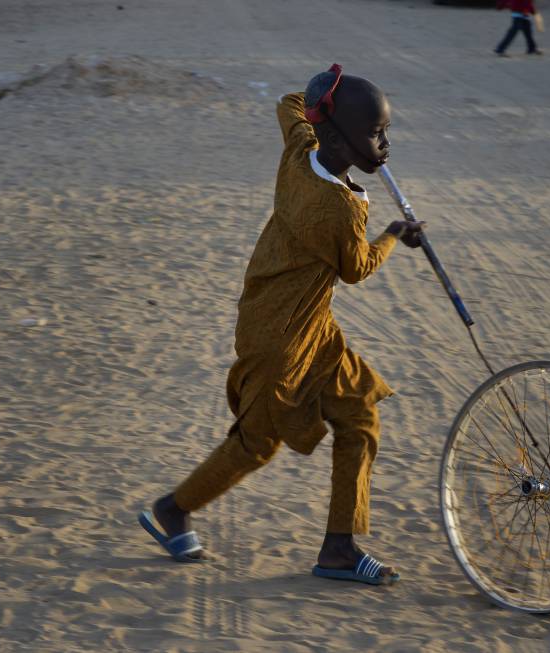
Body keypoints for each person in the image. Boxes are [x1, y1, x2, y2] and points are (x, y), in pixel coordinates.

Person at [138, 65, 424, 585]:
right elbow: (356, 268)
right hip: (279, 338)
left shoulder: (300, 147)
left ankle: (339, 547)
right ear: (334, 138)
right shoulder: (337, 208)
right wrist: (392, 234)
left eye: (385, 131)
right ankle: (172, 509)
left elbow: (291, 103)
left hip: (311, 325)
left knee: (359, 414)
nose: (385, 144)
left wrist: (324, 96)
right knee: (257, 442)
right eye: (374, 133)